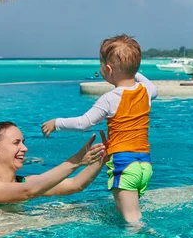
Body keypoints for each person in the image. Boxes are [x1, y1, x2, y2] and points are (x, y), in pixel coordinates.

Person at [41, 35, 158, 223]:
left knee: (133, 221)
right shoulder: (147, 92)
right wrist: (132, 69)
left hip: (124, 164)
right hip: (144, 165)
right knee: (124, 213)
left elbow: (83, 123)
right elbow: (150, 85)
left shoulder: (110, 98)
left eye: (101, 64)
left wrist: (56, 123)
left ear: (109, 69)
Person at [0, 121, 106, 207]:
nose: (24, 148)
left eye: (23, 142)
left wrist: (104, 156)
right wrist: (76, 161)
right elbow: (28, 191)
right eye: (16, 143)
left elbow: (75, 185)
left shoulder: (26, 181)